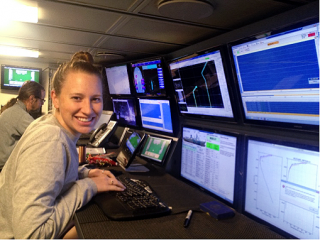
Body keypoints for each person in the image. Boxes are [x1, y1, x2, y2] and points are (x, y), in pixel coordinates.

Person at [0, 51, 125, 239]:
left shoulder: (50, 124)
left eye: (95, 99)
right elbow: (31, 235)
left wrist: (86, 172)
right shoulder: (50, 140)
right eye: (77, 98)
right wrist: (89, 186)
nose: (88, 109)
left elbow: (51, 170)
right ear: (55, 98)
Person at [0, 81, 45, 170]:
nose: (42, 103)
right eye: (42, 100)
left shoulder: (13, 110)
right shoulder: (20, 115)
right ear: (32, 99)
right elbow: (42, 136)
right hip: (6, 169)